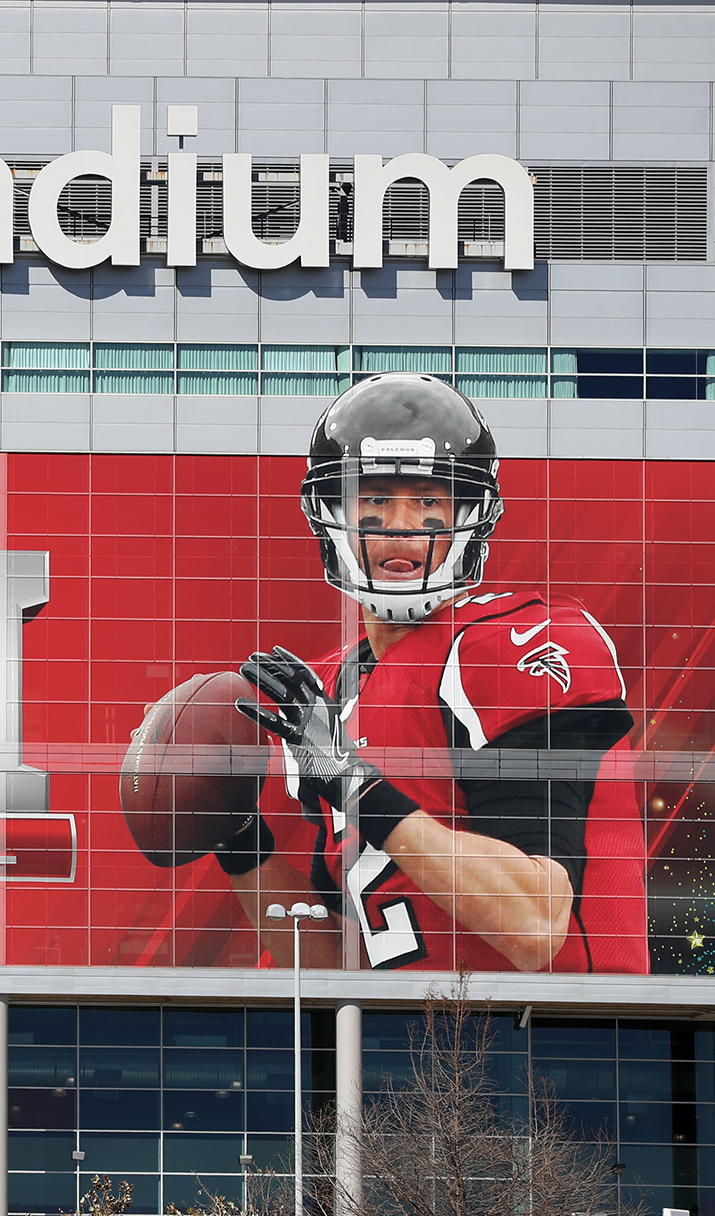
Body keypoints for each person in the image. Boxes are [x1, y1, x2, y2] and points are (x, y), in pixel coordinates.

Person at [213, 371, 646, 973]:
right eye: (375, 499)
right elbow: (338, 956)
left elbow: (537, 921)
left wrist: (357, 786)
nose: (401, 523)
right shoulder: (331, 687)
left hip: (549, 1042)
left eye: (428, 500)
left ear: (468, 514)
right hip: (397, 1042)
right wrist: (238, 839)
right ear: (332, 513)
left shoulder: (516, 643)